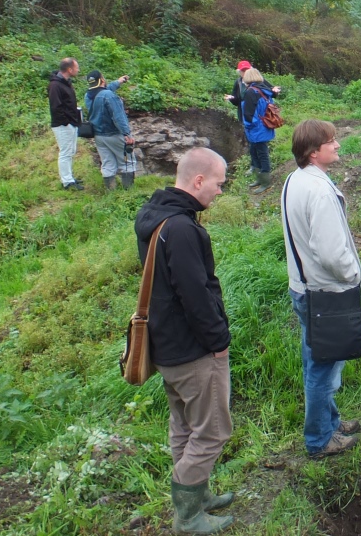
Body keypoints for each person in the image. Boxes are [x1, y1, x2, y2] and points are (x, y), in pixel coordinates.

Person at [134, 148, 235, 534]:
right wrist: (218, 340)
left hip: (166, 345)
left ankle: (197, 494)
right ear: (198, 181)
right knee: (212, 430)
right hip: (193, 349)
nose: (220, 192)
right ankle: (188, 515)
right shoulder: (181, 229)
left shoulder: (155, 217)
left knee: (183, 426)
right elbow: (194, 293)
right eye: (218, 184)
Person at [282, 120, 361, 457]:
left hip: (303, 286)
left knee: (315, 358)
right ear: (314, 152)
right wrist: (352, 275)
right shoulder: (318, 191)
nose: (338, 145)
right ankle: (318, 439)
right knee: (322, 366)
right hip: (325, 290)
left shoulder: (295, 180)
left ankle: (330, 422)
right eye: (332, 141)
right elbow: (330, 250)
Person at [84, 70, 136, 190]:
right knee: (127, 162)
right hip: (114, 134)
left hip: (98, 136)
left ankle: (111, 192)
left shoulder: (88, 95)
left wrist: (118, 82)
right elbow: (118, 117)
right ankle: (129, 193)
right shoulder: (109, 95)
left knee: (107, 164)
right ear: (102, 80)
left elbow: (104, 91)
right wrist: (127, 134)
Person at [48, 57, 84, 191]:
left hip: (71, 122)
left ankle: (70, 177)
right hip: (63, 124)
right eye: (76, 67)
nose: (78, 70)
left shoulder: (66, 83)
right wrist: (66, 122)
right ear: (69, 69)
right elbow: (55, 107)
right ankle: (67, 181)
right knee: (65, 153)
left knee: (70, 151)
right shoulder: (55, 85)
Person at [241, 68, 276, 194]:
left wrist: (248, 127)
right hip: (264, 125)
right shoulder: (264, 89)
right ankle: (260, 179)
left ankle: (265, 182)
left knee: (261, 154)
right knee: (256, 152)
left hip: (256, 128)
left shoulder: (251, 92)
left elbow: (249, 114)